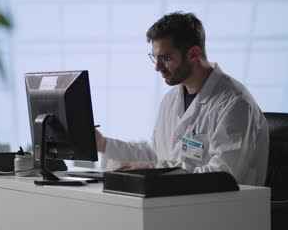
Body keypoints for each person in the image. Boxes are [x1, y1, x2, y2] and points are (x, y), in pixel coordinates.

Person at [95, 11, 269, 186]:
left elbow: (224, 176)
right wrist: (103, 144)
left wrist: (156, 167)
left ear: (193, 54)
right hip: (178, 202)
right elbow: (156, 155)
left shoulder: (235, 103)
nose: (157, 67)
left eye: (165, 58)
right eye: (155, 58)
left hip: (219, 208)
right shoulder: (170, 100)